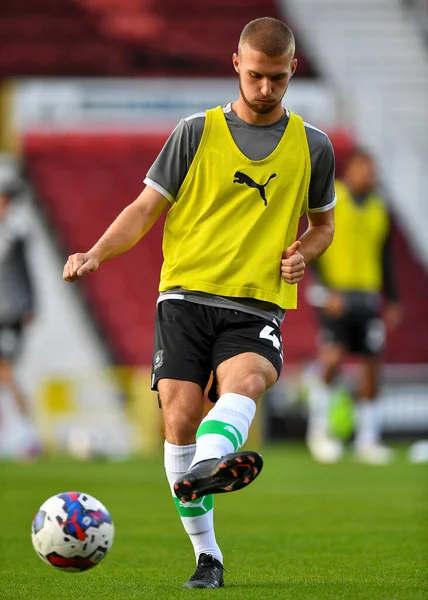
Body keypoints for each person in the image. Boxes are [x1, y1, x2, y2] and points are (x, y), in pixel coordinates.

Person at [64, 17, 335, 589]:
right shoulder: (194, 132)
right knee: (181, 420)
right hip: (185, 296)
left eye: (278, 80)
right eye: (257, 76)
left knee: (249, 379)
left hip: (256, 304)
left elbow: (323, 225)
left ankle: (208, 468)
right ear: (237, 64)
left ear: (294, 71)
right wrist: (94, 254)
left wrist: (303, 253)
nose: (265, 90)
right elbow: (143, 209)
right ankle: (207, 555)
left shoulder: (314, 146)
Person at [305, 148, 402, 465]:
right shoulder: (333, 200)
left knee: (372, 365)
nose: (370, 176)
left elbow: (386, 257)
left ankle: (368, 440)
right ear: (351, 171)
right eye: (364, 169)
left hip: (368, 297)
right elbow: (313, 241)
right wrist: (323, 289)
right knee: (332, 359)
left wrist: (394, 299)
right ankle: (319, 432)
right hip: (336, 295)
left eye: (372, 171)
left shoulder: (379, 208)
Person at [0, 182, 38, 456]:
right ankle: (21, 434)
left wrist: (29, 305)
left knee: (6, 371)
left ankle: (26, 435)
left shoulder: (16, 232)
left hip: (11, 314)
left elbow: (26, 272)